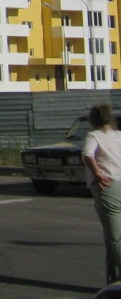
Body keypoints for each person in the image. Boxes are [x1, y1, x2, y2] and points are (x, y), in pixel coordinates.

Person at [83, 103, 121, 285]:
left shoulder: (93, 135)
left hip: (107, 187)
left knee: (115, 238)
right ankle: (113, 282)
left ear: (92, 120)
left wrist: (97, 173)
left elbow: (87, 155)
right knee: (111, 238)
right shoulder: (119, 135)